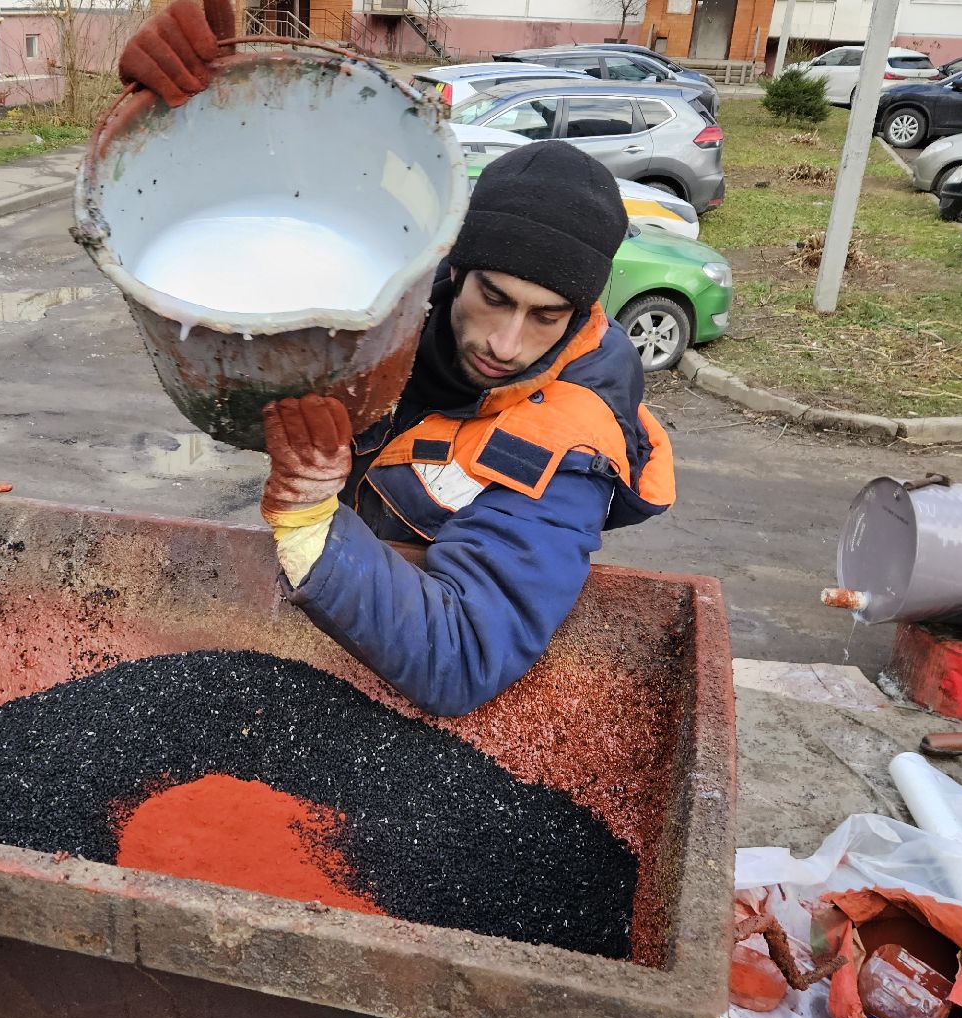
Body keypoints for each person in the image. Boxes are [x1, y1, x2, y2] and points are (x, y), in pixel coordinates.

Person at [119, 1, 676, 715]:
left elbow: (468, 653)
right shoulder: (397, 297)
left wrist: (313, 525)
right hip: (338, 629)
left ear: (580, 314)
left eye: (546, 317)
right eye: (495, 297)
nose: (506, 343)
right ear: (458, 269)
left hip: (392, 684)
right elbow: (277, 212)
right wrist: (180, 106)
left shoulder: (571, 447)